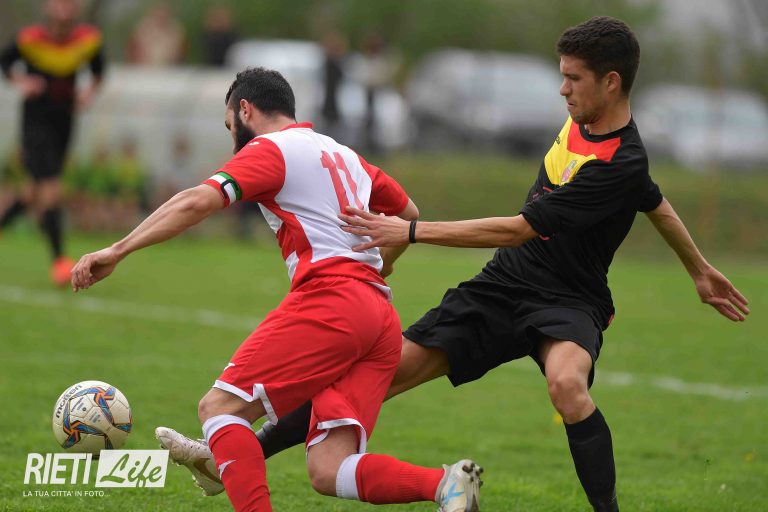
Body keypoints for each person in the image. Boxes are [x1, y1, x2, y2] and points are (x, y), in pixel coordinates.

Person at [158, 17, 750, 512]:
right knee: (371, 380)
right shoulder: (582, 124)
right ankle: (228, 458)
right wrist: (698, 269)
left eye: (573, 79)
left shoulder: (621, 161)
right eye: (562, 76)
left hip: (571, 300)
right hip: (504, 285)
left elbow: (520, 227)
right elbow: (656, 202)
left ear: (611, 82)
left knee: (568, 386)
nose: (562, 90)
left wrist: (411, 231)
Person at [70, 67, 483, 512]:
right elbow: (408, 213)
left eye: (230, 126)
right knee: (329, 468)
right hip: (379, 316)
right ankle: (445, 486)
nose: (233, 139)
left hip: (333, 300)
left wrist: (119, 249)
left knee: (220, 408)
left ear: (245, 110)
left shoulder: (271, 149)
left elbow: (196, 201)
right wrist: (382, 264)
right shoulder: (342, 153)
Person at [0, 0, 104, 286]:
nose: (64, 6)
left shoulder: (86, 40)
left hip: (64, 121)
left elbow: (98, 72)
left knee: (34, 193)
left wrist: (87, 94)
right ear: (48, 7)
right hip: (35, 122)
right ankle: (60, 261)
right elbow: (5, 62)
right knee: (52, 190)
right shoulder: (31, 39)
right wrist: (22, 81)